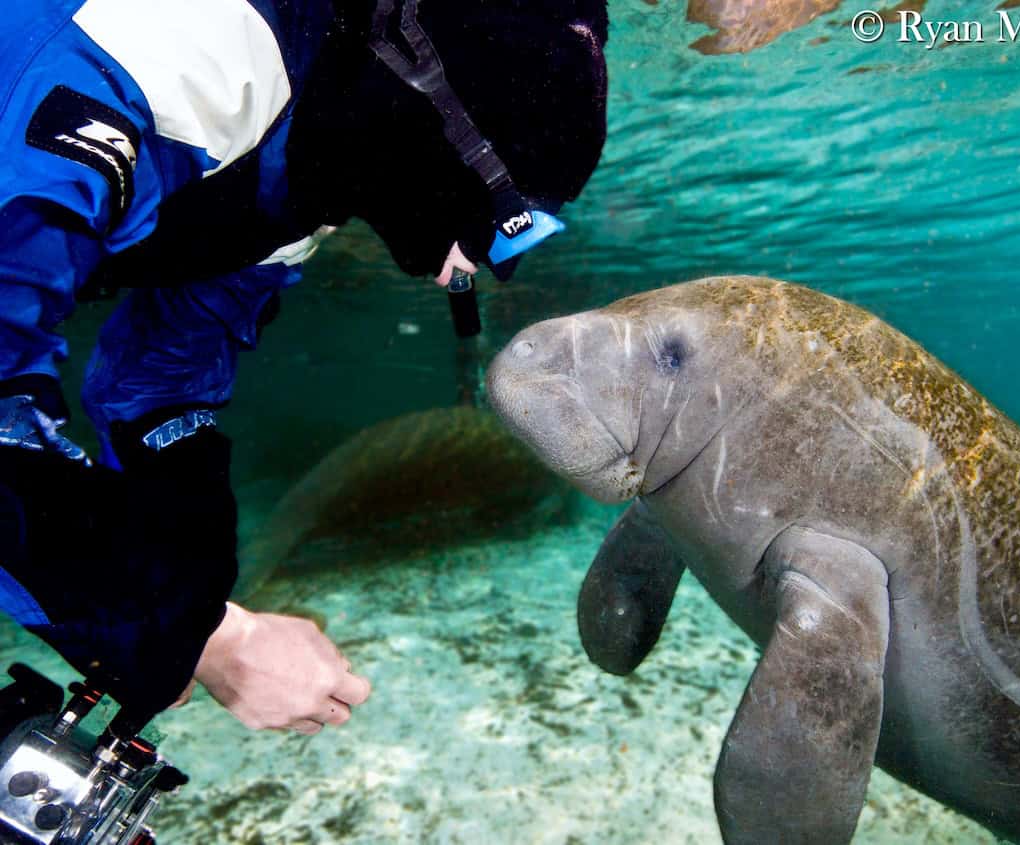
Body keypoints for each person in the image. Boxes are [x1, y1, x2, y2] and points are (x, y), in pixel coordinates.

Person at [0, 0, 608, 734]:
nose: (483, 269)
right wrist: (203, 638)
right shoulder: (158, 50)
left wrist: (195, 595)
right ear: (441, 139)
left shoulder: (312, 167)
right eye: (509, 228)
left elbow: (161, 388)